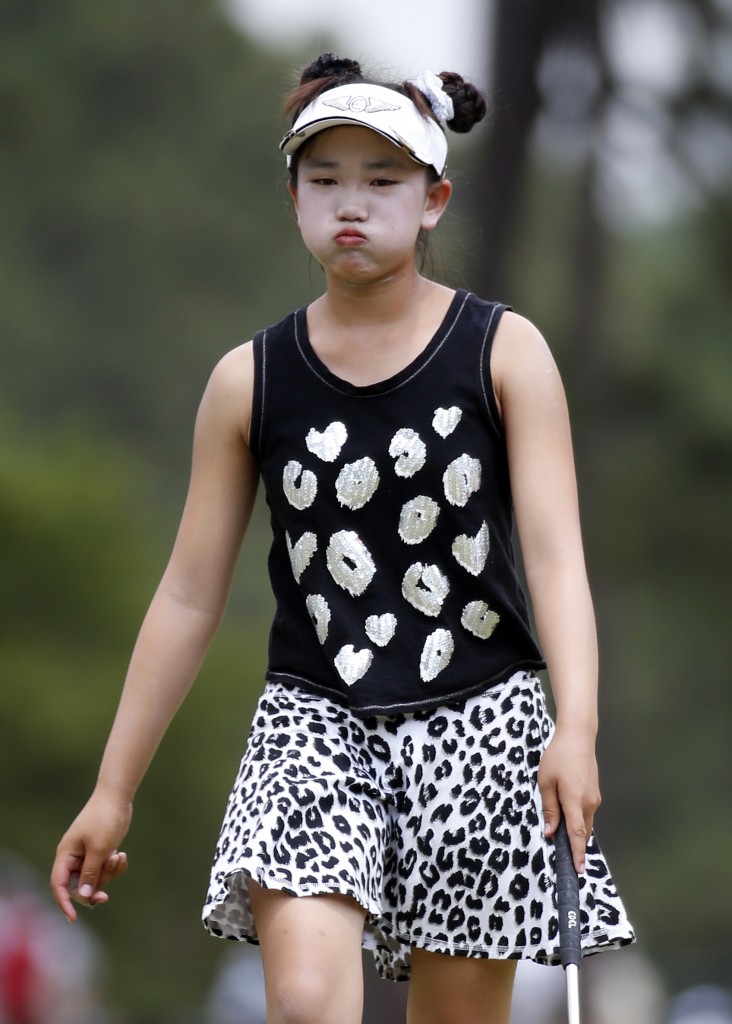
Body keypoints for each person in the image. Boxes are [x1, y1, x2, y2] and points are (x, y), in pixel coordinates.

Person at [51, 53, 635, 1024]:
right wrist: (114, 789)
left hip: (485, 728)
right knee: (311, 1003)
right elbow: (190, 594)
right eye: (324, 181)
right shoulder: (250, 381)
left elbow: (557, 559)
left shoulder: (505, 352)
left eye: (382, 180)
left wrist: (575, 730)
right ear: (293, 199)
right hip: (315, 725)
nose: (350, 205)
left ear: (434, 198)